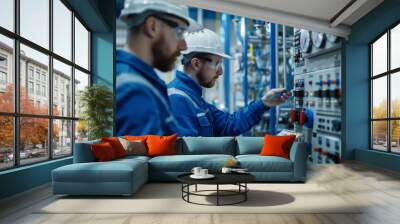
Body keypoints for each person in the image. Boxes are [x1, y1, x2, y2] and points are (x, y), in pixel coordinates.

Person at [168, 28, 291, 136]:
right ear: (196, 64)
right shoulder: (177, 99)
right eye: (217, 63)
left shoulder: (193, 98)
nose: (220, 72)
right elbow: (186, 157)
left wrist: (264, 103)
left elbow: (228, 124)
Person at [116, 0, 194, 136]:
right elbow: (150, 156)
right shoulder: (134, 91)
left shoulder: (142, 83)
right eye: (180, 32)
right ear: (152, 26)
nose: (184, 46)